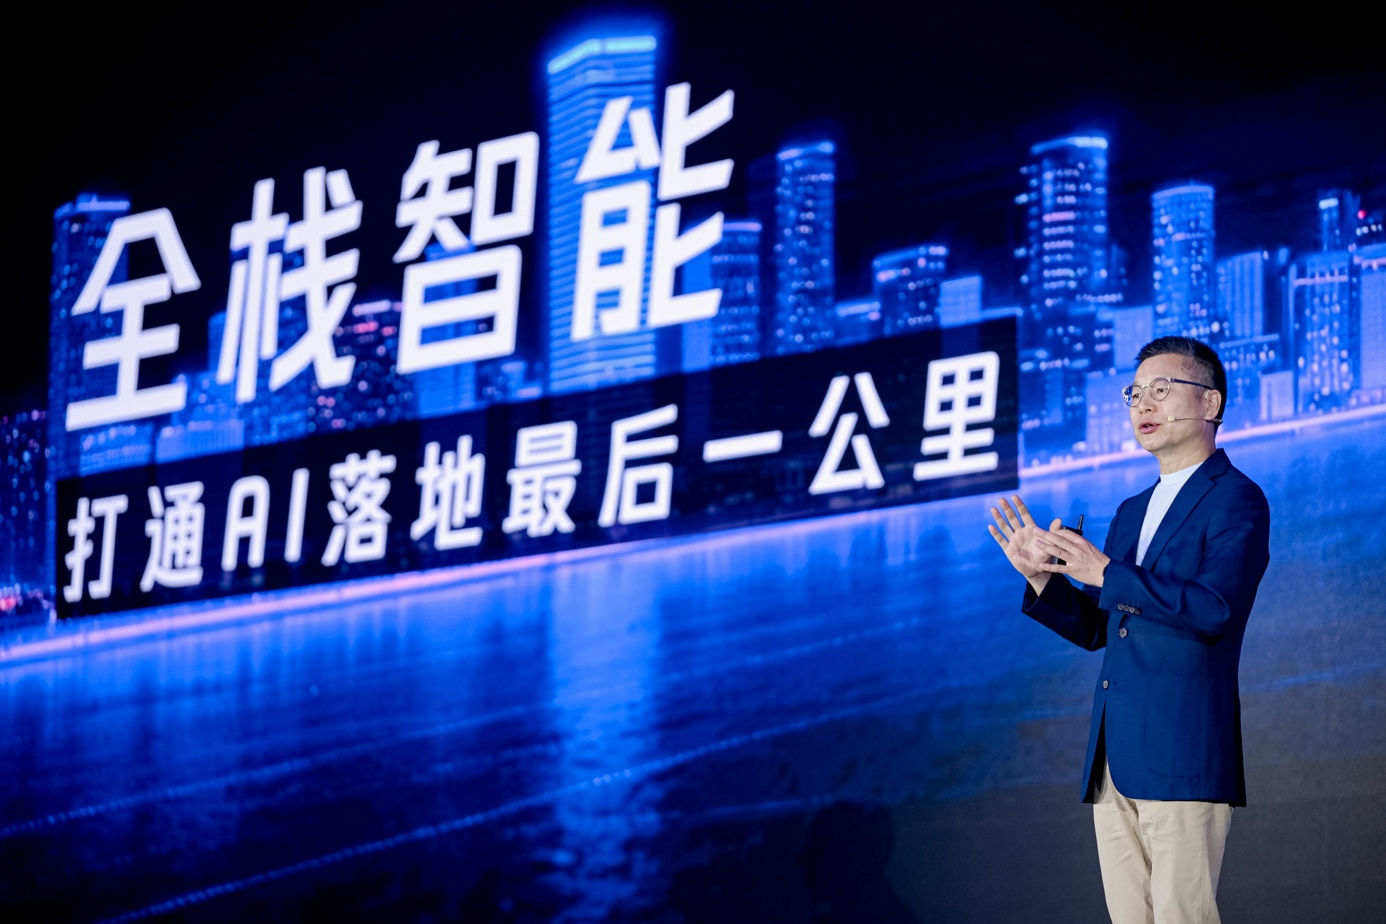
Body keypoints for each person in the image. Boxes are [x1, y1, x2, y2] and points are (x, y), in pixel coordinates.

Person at [986, 336, 1270, 924]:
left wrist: (1107, 572)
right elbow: (1100, 628)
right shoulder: (1131, 512)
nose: (1143, 404)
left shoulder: (1237, 498)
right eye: (1135, 393)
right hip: (1113, 760)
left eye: (1161, 389)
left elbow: (1216, 607)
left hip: (1182, 750)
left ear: (1210, 403)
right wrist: (1041, 580)